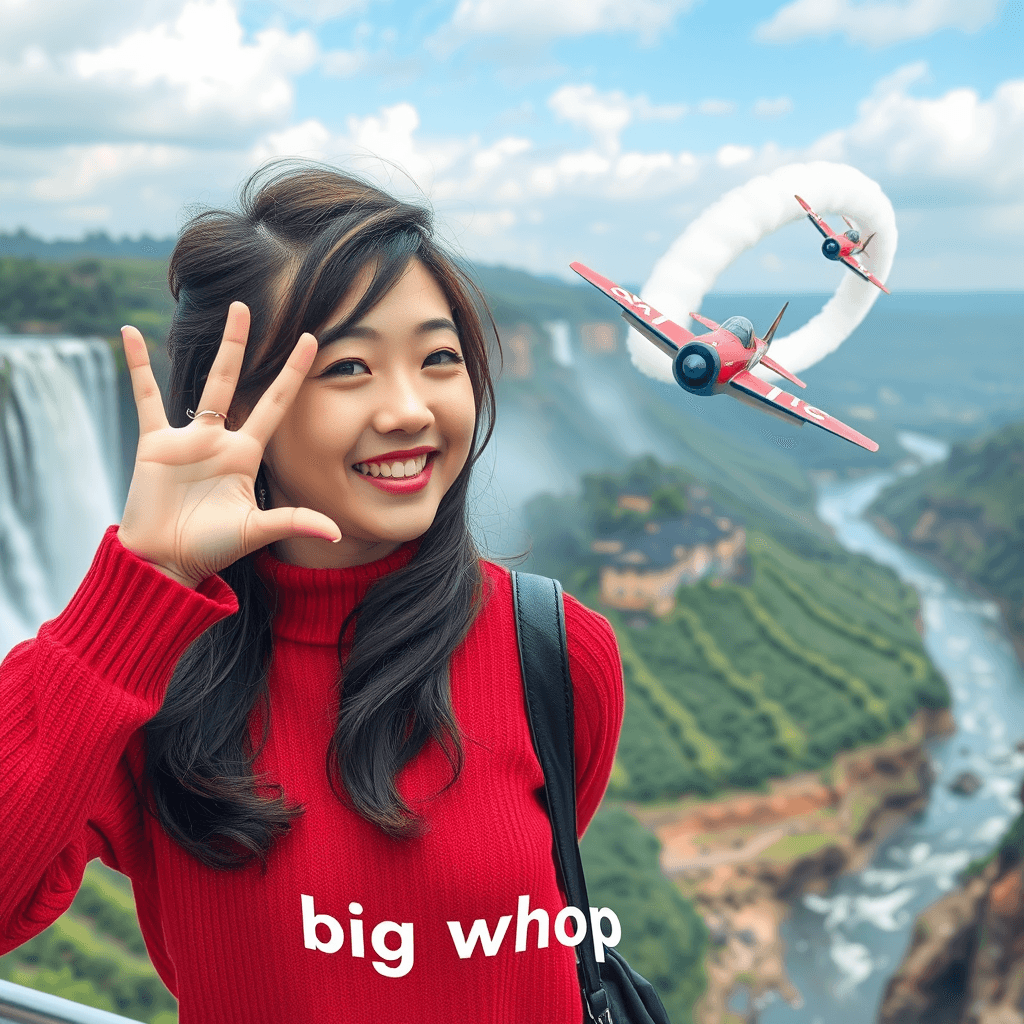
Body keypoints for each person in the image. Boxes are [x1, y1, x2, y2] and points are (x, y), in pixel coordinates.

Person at [0, 163, 624, 1024]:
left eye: (438, 357)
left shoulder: (553, 651)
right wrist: (143, 585)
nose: (409, 408)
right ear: (244, 405)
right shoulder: (150, 682)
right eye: (348, 368)